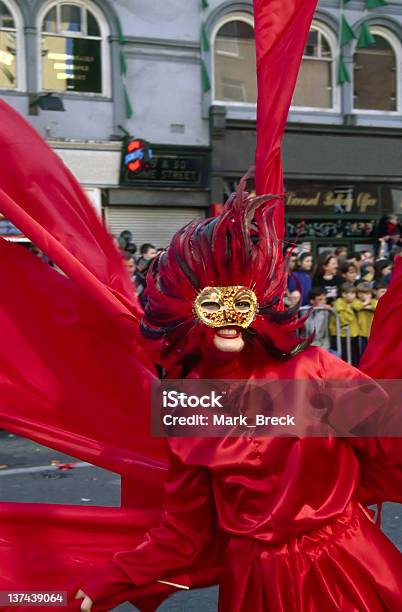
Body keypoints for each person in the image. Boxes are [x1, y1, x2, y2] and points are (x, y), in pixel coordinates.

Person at [329, 282, 360, 365]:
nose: (354, 296)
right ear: (344, 294)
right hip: (340, 335)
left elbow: (359, 305)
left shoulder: (353, 301)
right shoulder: (338, 303)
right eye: (352, 293)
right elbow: (345, 320)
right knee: (344, 357)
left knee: (354, 356)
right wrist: (349, 309)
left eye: (355, 293)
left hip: (353, 334)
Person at [353, 282, 377, 356]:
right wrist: (366, 302)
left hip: (372, 333)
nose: (368, 296)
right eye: (366, 294)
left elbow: (376, 305)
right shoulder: (356, 301)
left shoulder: (373, 301)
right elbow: (356, 306)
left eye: (369, 294)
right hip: (360, 333)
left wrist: (367, 306)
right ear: (359, 294)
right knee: (362, 352)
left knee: (372, 352)